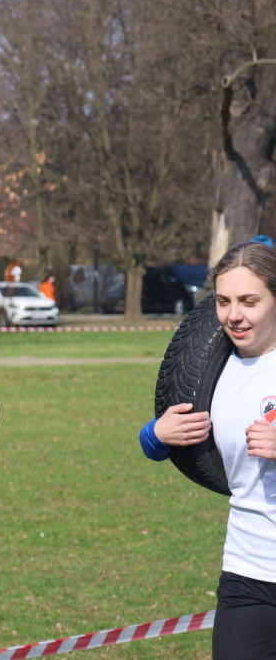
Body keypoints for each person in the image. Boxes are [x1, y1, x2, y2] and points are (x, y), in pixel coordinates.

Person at [138, 240, 276, 660]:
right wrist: (157, 434)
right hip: (248, 571)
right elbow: (158, 446)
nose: (234, 315)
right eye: (223, 301)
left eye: (249, 301)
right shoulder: (211, 372)